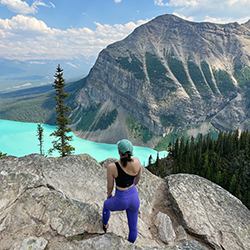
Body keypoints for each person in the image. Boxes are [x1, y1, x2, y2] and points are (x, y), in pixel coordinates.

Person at [102, 139, 142, 243]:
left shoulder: (112, 167)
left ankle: (105, 225)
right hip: (134, 197)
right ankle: (130, 244)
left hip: (121, 199)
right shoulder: (137, 162)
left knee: (106, 205)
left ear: (119, 152)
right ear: (131, 151)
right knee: (133, 227)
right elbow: (137, 179)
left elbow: (110, 186)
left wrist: (109, 195)